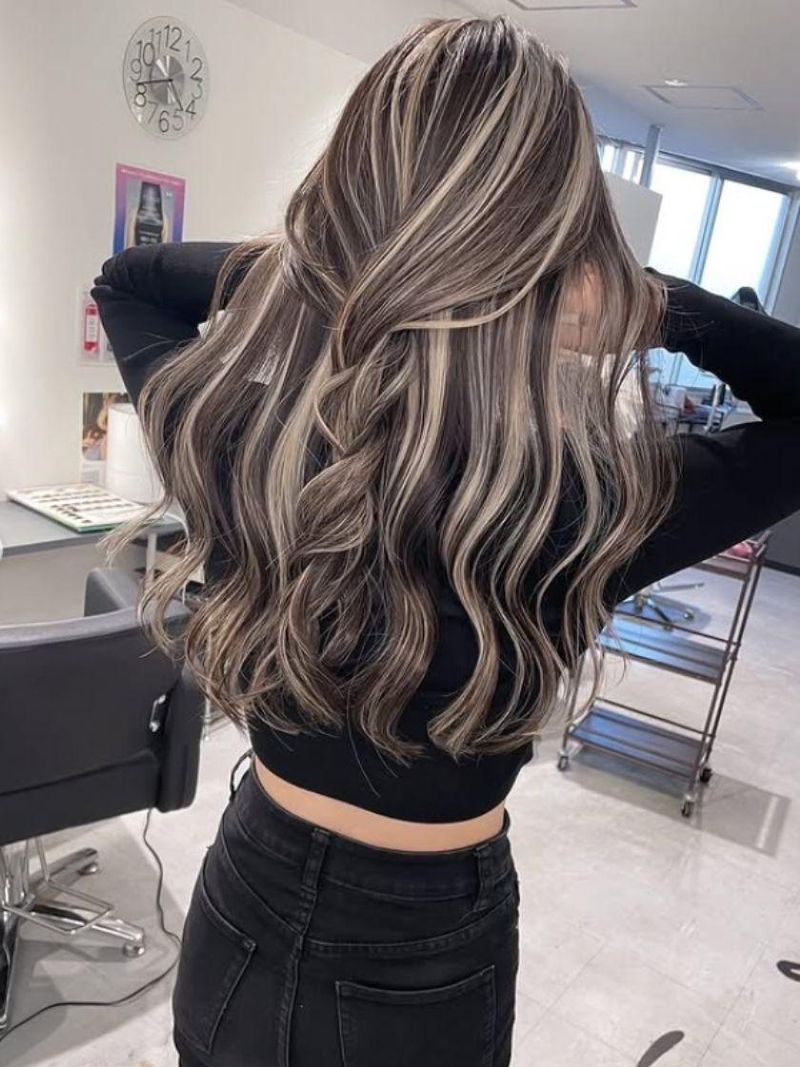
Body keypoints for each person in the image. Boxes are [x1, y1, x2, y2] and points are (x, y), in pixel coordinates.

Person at [91, 16, 800, 1067]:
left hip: (244, 902)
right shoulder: (588, 505)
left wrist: (332, 270)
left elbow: (133, 281)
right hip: (426, 956)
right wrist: (655, 308)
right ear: (557, 245)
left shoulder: (242, 439)